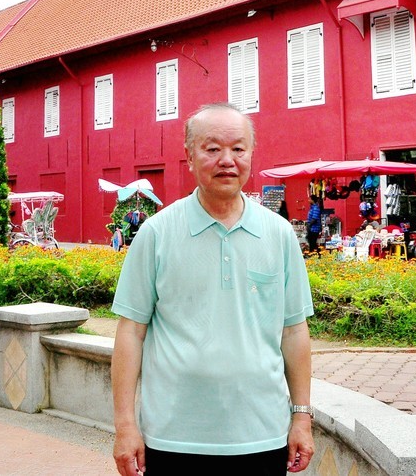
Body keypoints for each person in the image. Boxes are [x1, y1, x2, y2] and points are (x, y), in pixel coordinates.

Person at [111, 103, 315, 476]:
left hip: (262, 434)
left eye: (238, 149)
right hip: (172, 437)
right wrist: (125, 424)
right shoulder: (157, 234)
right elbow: (130, 332)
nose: (227, 160)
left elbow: (294, 329)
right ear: (189, 156)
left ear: (251, 154)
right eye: (212, 149)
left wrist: (301, 416)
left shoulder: (279, 234)